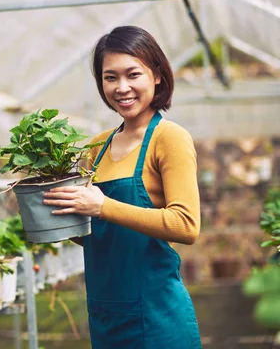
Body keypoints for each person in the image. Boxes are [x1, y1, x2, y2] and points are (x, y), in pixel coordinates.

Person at [43, 25, 202, 348]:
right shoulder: (97, 146)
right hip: (106, 314)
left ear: (157, 75)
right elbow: (98, 235)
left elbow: (186, 226)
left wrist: (103, 207)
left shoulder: (168, 138)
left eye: (133, 75)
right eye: (110, 77)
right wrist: (51, 209)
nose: (122, 87)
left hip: (158, 317)